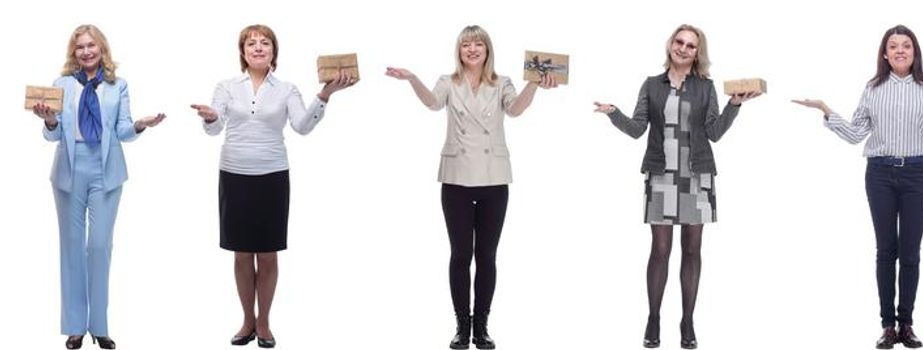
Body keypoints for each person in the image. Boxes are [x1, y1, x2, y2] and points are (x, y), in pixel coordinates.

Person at [789, 24, 923, 349]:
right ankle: (887, 327)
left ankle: (906, 324)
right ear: (884, 53)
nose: (900, 51)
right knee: (885, 251)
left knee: (910, 253)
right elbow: (854, 134)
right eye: (893, 46)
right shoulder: (873, 89)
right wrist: (825, 110)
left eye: (906, 46)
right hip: (879, 174)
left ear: (915, 52)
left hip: (917, 175)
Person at [382, 24, 556, 350]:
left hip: (493, 178)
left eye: (477, 44)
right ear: (459, 51)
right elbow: (433, 103)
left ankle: (482, 326)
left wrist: (534, 85)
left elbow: (516, 110)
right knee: (461, 255)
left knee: (487, 255)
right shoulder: (449, 82)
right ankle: (462, 325)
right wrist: (412, 79)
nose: (472, 50)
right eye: (466, 46)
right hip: (457, 177)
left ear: (487, 49)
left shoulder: (501, 83)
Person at [589, 24, 758, 350]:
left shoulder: (706, 88)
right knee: (661, 250)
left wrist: (734, 106)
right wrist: (614, 114)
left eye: (691, 45)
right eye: (679, 42)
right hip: (661, 174)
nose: (683, 48)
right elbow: (638, 128)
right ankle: (653, 318)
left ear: (698, 53)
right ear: (671, 45)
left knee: (693, 249)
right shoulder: (652, 85)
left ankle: (688, 320)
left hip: (696, 175)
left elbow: (715, 132)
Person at [191, 24, 357, 349]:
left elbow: (302, 126)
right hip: (235, 175)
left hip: (272, 176)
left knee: (267, 254)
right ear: (242, 52)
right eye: (251, 43)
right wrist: (211, 117)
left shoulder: (287, 90)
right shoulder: (226, 87)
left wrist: (324, 95)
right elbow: (215, 130)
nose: (257, 47)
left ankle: (264, 322)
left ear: (273, 52)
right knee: (241, 253)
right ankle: (246, 321)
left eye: (264, 43)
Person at [32, 24, 170, 350]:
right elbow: (53, 134)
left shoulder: (117, 85)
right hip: (69, 169)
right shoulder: (61, 84)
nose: (86, 52)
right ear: (73, 52)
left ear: (101, 49)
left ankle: (100, 326)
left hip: (105, 170)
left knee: (98, 246)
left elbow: (122, 129)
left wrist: (140, 125)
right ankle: (76, 326)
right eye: (79, 47)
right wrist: (49, 120)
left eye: (91, 45)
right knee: (71, 247)